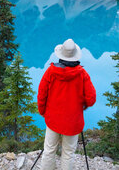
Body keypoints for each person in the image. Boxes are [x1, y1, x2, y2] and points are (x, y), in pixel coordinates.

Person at [37, 38, 96, 170]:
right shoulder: (82, 74)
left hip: (53, 119)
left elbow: (41, 95)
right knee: (68, 153)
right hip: (73, 122)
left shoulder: (50, 72)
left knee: (49, 151)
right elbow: (91, 99)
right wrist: (83, 105)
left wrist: (43, 111)